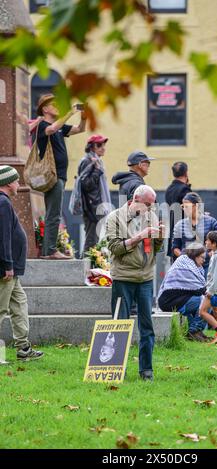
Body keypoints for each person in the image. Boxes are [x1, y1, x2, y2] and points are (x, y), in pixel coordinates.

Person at [106, 185, 164, 381]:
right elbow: (114, 248)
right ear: (135, 199)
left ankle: (146, 370)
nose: (150, 208)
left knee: (147, 326)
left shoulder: (151, 216)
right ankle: (114, 368)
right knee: (119, 324)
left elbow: (155, 248)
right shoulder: (115, 217)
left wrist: (160, 237)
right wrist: (139, 236)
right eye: (147, 204)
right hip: (123, 278)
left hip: (145, 278)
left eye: (152, 204)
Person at [0, 166, 43, 361]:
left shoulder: (4, 202)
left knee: (19, 304)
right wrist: (7, 265)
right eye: (16, 180)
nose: (19, 184)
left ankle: (23, 348)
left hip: (12, 269)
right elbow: (3, 237)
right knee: (1, 308)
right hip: (6, 269)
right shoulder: (2, 203)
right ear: (8, 183)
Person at [36, 94, 86, 259]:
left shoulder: (59, 127)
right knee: (54, 213)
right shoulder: (43, 125)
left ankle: (49, 249)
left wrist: (84, 118)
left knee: (54, 212)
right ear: (45, 108)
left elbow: (80, 129)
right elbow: (51, 129)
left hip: (60, 175)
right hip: (52, 175)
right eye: (54, 104)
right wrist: (69, 113)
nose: (58, 106)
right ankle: (49, 251)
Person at [158, 242, 208, 342]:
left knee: (200, 301)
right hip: (170, 302)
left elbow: (195, 289)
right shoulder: (186, 266)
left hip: (175, 300)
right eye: (202, 257)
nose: (204, 260)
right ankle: (194, 331)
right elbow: (200, 290)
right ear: (195, 255)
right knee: (206, 302)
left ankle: (194, 331)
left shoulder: (187, 263)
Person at [172, 192, 217, 276]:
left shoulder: (212, 222)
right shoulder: (179, 225)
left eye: (186, 206)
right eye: (183, 206)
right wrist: (186, 259)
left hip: (207, 267)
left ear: (196, 206)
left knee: (205, 289)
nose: (184, 209)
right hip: (186, 269)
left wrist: (207, 257)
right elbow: (175, 247)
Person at [78, 134, 111, 254]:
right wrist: (97, 171)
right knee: (91, 240)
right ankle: (83, 269)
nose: (102, 147)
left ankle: (90, 268)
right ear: (91, 147)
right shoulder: (87, 161)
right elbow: (86, 185)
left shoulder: (97, 161)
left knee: (95, 240)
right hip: (91, 207)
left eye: (103, 145)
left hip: (97, 206)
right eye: (99, 145)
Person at [165, 162, 191, 259]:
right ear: (186, 173)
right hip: (185, 236)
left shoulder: (169, 190)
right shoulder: (185, 190)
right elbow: (190, 212)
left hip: (173, 233)